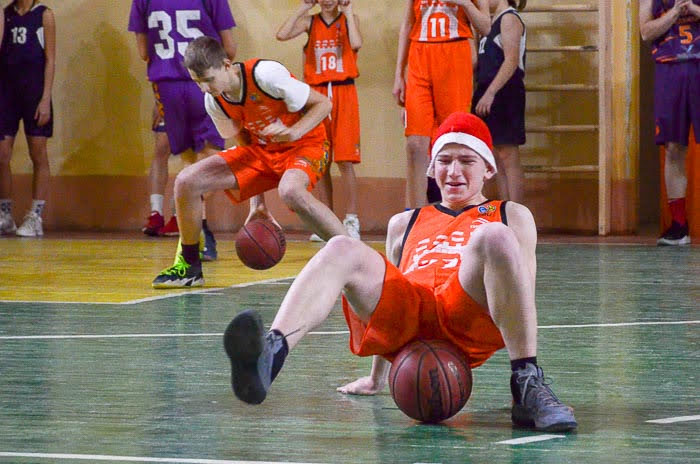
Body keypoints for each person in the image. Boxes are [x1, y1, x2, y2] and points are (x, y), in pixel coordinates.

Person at [222, 112, 578, 433]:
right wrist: (378, 378)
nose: (454, 172)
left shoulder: (510, 214)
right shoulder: (404, 223)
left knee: (494, 235)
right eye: (444, 161)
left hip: (466, 313)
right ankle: (269, 356)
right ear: (431, 168)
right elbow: (387, 295)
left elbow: (522, 293)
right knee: (341, 246)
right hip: (411, 317)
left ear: (488, 169)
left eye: (467, 161)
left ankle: (527, 384)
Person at [151, 36, 348, 288]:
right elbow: (244, 139)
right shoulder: (215, 100)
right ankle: (189, 267)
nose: (204, 88)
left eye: (208, 79)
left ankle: (355, 256)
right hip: (263, 151)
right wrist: (258, 203)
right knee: (187, 181)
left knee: (290, 191)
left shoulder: (265, 75)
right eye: (198, 82)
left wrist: (293, 132)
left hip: (306, 143)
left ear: (226, 65)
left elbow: (323, 104)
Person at [128, 0, 238, 256]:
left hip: (166, 84)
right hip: (204, 79)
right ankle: (200, 229)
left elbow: (144, 51)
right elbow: (229, 47)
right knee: (209, 158)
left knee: (189, 160)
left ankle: (194, 229)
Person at [276, 0, 363, 241]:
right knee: (321, 159)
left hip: (344, 91)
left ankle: (352, 219)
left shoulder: (349, 20)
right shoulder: (310, 22)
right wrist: (303, 7)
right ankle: (327, 219)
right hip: (316, 94)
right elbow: (281, 35)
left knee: (345, 159)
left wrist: (349, 12)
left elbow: (356, 43)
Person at [394, 0, 491, 208]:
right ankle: (416, 214)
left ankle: (457, 210)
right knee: (414, 144)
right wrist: (398, 73)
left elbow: (485, 26)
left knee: (454, 139)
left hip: (455, 52)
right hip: (419, 53)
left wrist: (465, 3)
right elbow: (407, 24)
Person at [639, 0, 699, 246]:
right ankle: (678, 226)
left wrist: (695, 10)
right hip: (669, 69)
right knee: (673, 148)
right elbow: (645, 32)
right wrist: (673, 13)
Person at [0, 0, 55, 237]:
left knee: (38, 152)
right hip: (7, 93)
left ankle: (36, 216)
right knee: (2, 153)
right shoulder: (5, 14)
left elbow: (51, 60)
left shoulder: (44, 15)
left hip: (34, 92)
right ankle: (5, 214)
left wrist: (45, 99)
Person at [473, 0, 526, 202]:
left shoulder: (509, 18)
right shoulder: (489, 23)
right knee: (496, 156)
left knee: (508, 155)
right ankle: (505, 209)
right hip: (488, 91)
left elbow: (511, 61)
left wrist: (491, 92)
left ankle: (517, 212)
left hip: (505, 92)